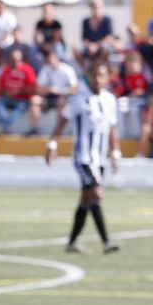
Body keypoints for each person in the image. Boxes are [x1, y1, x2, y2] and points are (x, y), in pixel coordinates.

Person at [46, 63, 121, 254]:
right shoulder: (79, 99)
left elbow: (112, 128)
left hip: (100, 160)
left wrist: (115, 153)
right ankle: (106, 242)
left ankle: (71, 243)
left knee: (86, 200)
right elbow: (62, 122)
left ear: (107, 78)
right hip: (83, 158)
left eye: (101, 75)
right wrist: (52, 146)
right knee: (96, 194)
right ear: (88, 76)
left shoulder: (110, 100)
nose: (97, 79)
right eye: (94, 75)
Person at [0, 47, 42, 135]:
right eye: (13, 60)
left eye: (17, 60)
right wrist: (8, 92)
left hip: (22, 99)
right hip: (8, 98)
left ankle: (3, 126)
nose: (15, 62)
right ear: (10, 60)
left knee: (21, 106)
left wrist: (19, 91)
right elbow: (0, 89)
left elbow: (32, 88)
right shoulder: (6, 70)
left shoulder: (27, 70)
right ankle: (3, 126)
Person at [80, 0, 116, 67]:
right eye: (93, 7)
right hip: (90, 47)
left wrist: (97, 45)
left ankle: (101, 67)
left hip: (102, 46)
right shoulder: (86, 21)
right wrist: (90, 46)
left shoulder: (107, 20)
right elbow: (84, 38)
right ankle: (87, 71)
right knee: (76, 50)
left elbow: (109, 37)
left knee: (105, 47)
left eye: (97, 7)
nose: (96, 9)